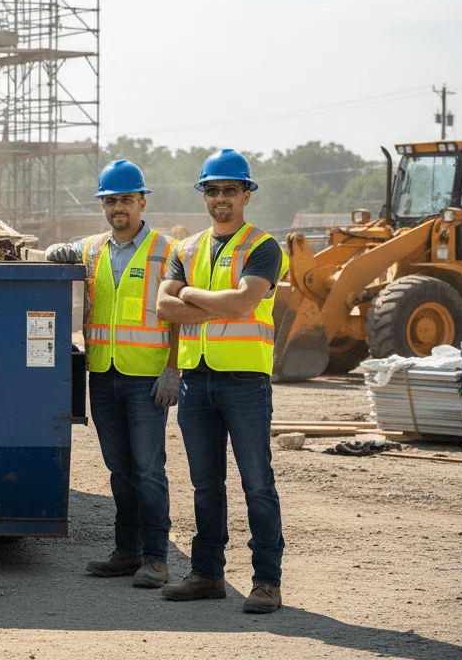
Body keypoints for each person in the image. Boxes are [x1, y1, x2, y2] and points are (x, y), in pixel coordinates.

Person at [155, 148, 289, 614]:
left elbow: (242, 305)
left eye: (230, 190)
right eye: (212, 191)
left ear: (246, 194)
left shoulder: (263, 247)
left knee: (257, 483)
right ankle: (207, 574)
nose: (220, 199)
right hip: (196, 380)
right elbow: (162, 309)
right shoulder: (186, 248)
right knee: (205, 485)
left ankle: (266, 582)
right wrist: (211, 299)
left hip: (245, 382)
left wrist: (189, 292)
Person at [46, 159, 180, 589]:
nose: (118, 207)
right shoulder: (91, 250)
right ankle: (126, 552)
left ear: (142, 202)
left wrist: (173, 370)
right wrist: (53, 253)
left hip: (147, 378)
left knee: (148, 471)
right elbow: (55, 257)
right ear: (103, 205)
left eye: (126, 199)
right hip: (103, 373)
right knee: (119, 471)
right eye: (111, 201)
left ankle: (156, 558)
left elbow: (179, 317)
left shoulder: (167, 251)